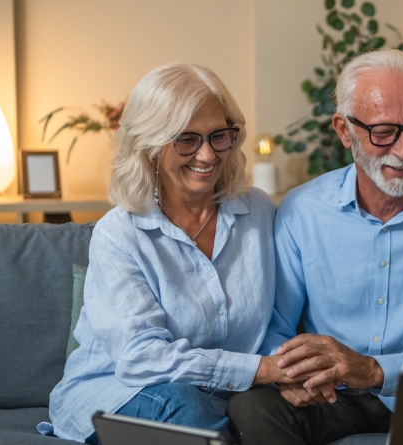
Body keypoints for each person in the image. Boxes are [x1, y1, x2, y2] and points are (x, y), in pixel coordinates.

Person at [226, 49, 403, 445]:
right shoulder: (302, 209)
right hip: (331, 397)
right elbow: (275, 327)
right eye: (383, 132)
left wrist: (375, 370)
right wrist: (293, 374)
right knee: (251, 408)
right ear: (344, 130)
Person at [37, 62, 295, 444]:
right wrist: (260, 370)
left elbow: (275, 324)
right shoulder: (119, 234)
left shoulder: (258, 212)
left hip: (224, 396)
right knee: (183, 404)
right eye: (187, 140)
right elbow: (141, 358)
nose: (207, 156)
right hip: (117, 390)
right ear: (150, 145)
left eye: (218, 136)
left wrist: (292, 368)